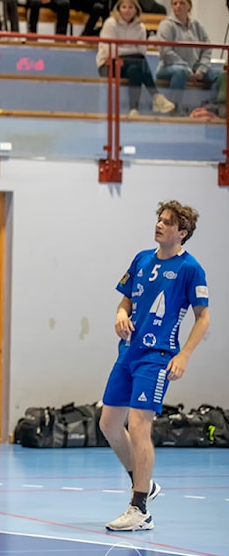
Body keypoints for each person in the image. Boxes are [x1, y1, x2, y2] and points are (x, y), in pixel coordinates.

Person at [97, 201, 209, 532]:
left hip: (157, 357)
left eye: (168, 222)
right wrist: (120, 315)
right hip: (128, 353)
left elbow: (203, 317)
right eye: (159, 220)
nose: (159, 225)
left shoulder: (190, 268)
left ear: (182, 233)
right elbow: (125, 300)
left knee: (139, 425)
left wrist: (183, 355)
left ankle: (140, 508)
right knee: (108, 424)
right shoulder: (142, 259)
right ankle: (143, 481)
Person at [96, 0, 176, 117]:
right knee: (139, 62)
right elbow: (110, 51)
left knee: (135, 69)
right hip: (108, 64)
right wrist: (131, 50)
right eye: (124, 7)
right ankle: (156, 96)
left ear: (136, 10)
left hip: (130, 65)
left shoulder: (141, 28)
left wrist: (123, 50)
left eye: (130, 7)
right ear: (118, 9)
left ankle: (133, 109)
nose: (127, 10)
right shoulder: (110, 24)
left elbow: (141, 52)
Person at [155, 0, 221, 114]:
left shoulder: (196, 25)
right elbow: (166, 52)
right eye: (175, 3)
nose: (178, 6)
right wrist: (187, 69)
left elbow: (207, 47)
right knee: (180, 71)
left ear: (189, 6)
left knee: (220, 74)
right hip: (168, 67)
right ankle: (173, 108)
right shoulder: (166, 25)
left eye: (182, 3)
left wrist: (202, 69)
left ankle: (211, 107)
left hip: (195, 67)